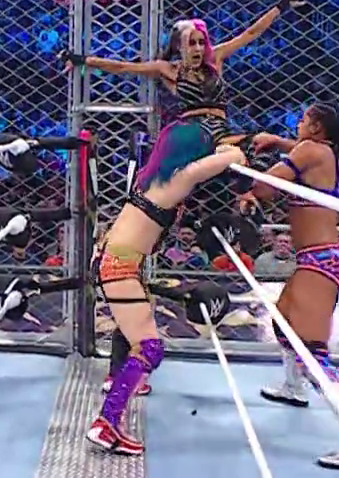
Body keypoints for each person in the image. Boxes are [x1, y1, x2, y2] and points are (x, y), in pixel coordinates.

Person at [87, 137, 256, 456]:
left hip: (120, 261)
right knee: (149, 347)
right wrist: (231, 151)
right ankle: (106, 423)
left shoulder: (155, 177)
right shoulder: (176, 178)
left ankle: (113, 405)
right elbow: (226, 158)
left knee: (143, 338)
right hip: (121, 264)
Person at [64, 0, 307, 189]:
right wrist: (83, 60)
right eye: (192, 43)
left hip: (221, 131)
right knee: (233, 157)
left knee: (267, 140)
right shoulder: (169, 69)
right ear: (180, 46)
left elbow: (251, 32)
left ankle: (311, 151)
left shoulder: (215, 59)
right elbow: (123, 67)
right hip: (195, 132)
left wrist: (282, 5)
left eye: (201, 42)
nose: (198, 48)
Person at [240, 103, 339, 470]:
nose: (297, 124)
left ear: (315, 128)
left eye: (302, 120)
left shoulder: (311, 151)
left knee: (312, 354)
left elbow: (264, 188)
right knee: (282, 323)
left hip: (321, 262)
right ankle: (293, 388)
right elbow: (298, 151)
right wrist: (277, 142)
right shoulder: (324, 151)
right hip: (315, 259)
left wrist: (234, 165)